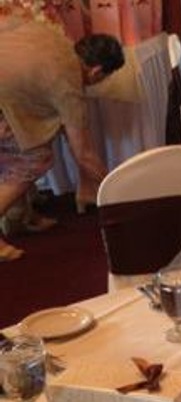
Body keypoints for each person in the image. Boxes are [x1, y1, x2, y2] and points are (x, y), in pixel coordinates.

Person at [0, 15, 125, 261]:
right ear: (97, 70)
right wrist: (117, 188)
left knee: (31, 135)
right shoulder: (68, 84)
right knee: (34, 159)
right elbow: (84, 154)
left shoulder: (54, 36)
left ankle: (17, 216)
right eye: (103, 79)